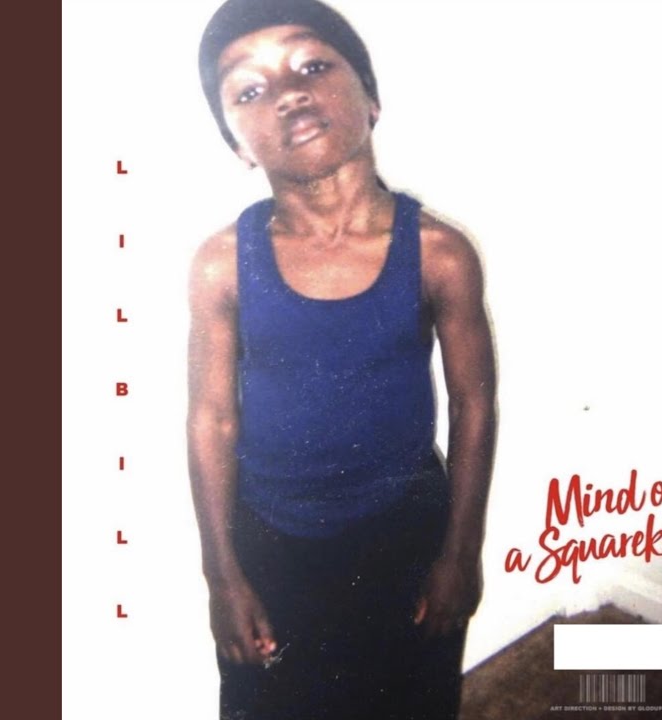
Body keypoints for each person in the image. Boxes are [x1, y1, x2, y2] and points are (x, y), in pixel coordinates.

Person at [186, 1, 498, 718]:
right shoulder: (221, 266)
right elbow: (211, 420)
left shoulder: (439, 255)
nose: (288, 93)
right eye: (250, 88)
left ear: (372, 99)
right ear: (236, 145)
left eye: (313, 65)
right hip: (271, 539)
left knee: (409, 699)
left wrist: (460, 554)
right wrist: (222, 579)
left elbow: (475, 404)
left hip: (405, 530)